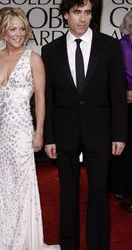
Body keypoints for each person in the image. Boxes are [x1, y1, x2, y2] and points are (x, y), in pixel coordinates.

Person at [41, 0, 128, 249]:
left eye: (87, 12)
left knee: (99, 192)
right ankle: (69, 245)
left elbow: (118, 93)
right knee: (67, 193)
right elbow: (47, 96)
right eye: (77, 12)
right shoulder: (51, 50)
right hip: (64, 132)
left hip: (100, 132)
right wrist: (49, 137)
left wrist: (119, 134)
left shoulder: (110, 46)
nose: (82, 18)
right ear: (65, 15)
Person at [0, 7, 59, 250]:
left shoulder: (33, 59)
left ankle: (24, 242)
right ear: (3, 30)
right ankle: (7, 238)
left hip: (22, 132)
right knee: (2, 186)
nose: (18, 33)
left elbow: (41, 98)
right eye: (13, 28)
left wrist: (40, 132)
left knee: (24, 187)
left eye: (22, 28)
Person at [109, 10, 132, 212]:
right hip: (125, 106)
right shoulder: (119, 47)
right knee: (125, 146)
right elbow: (113, 77)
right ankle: (121, 187)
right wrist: (125, 92)